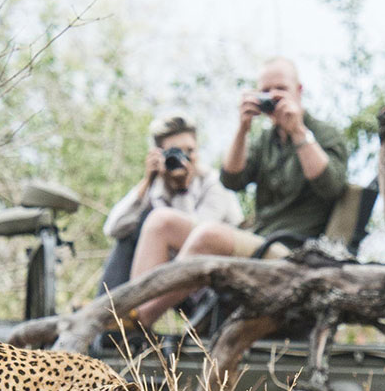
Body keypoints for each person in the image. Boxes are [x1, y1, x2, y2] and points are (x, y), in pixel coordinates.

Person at [126, 57, 351, 327]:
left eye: (281, 89)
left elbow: (331, 187)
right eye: (265, 91)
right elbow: (232, 179)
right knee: (160, 220)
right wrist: (243, 128)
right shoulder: (265, 141)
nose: (272, 97)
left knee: (208, 234)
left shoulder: (325, 135)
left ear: (299, 91)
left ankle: (140, 319)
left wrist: (298, 132)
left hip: (295, 254)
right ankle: (129, 310)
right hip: (259, 241)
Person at [97, 115, 242, 293]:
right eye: (175, 152)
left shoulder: (214, 183)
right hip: (174, 274)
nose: (184, 159)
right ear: (160, 155)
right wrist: (146, 182)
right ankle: (110, 313)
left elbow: (199, 242)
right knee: (132, 230)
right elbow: (113, 229)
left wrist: (183, 191)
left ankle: (135, 312)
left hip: (215, 276)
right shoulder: (157, 185)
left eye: (190, 151)